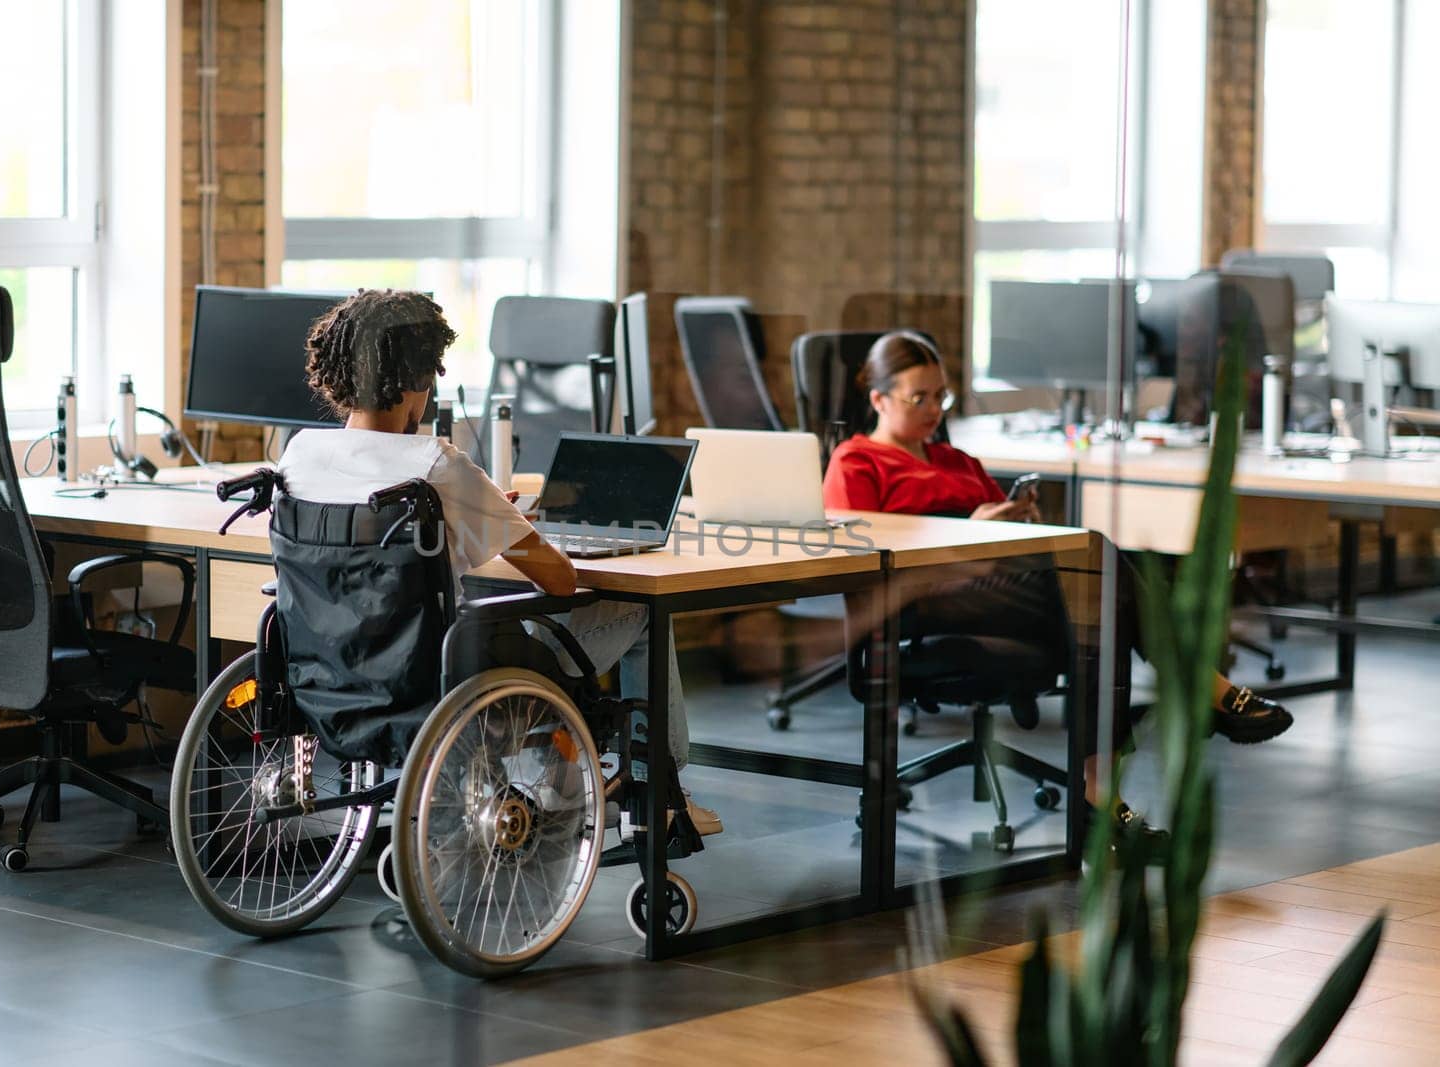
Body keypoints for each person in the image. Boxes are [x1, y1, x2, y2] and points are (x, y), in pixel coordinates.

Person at [275, 289, 720, 834]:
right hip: (435, 674)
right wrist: (508, 523)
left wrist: (478, 519)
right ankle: (663, 797)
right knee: (645, 612)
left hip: (330, 671)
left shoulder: (299, 454)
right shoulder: (434, 465)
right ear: (420, 379)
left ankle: (561, 781)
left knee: (516, 618)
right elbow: (559, 579)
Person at [822, 330, 1294, 836]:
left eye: (942, 395)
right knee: (1099, 571)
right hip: (929, 594)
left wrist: (1021, 521)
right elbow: (862, 561)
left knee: (1101, 588)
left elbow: (1009, 542)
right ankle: (1189, 697)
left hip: (1002, 586)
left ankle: (1103, 791)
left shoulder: (956, 461)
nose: (935, 408)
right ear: (878, 399)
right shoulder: (856, 462)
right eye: (920, 397)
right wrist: (967, 533)